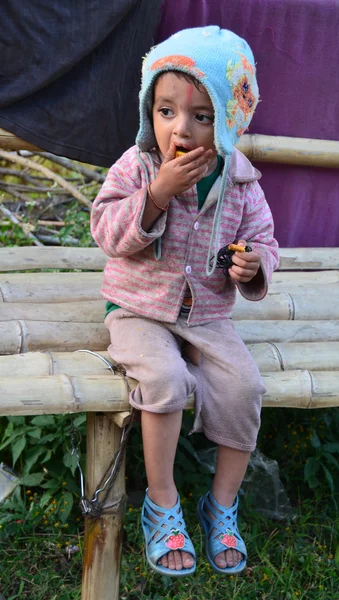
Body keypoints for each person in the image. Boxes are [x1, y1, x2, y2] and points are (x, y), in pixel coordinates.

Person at [91, 25, 279, 577]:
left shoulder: (242, 182)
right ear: (150, 109)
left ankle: (221, 505)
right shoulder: (138, 166)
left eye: (202, 116)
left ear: (230, 120)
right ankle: (163, 501)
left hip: (208, 314)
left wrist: (253, 265)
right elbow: (105, 229)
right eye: (167, 110)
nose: (182, 129)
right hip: (138, 307)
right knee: (165, 381)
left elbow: (265, 240)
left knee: (245, 386)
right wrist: (157, 195)